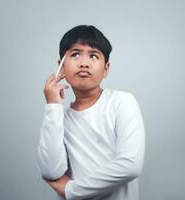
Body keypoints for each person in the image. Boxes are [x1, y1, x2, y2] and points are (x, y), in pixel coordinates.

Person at [37, 25, 145, 200]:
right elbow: (50, 171)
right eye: (75, 54)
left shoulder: (121, 102)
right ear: (61, 67)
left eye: (93, 56)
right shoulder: (58, 118)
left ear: (106, 69)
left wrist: (72, 190)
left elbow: (130, 165)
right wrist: (53, 106)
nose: (84, 63)